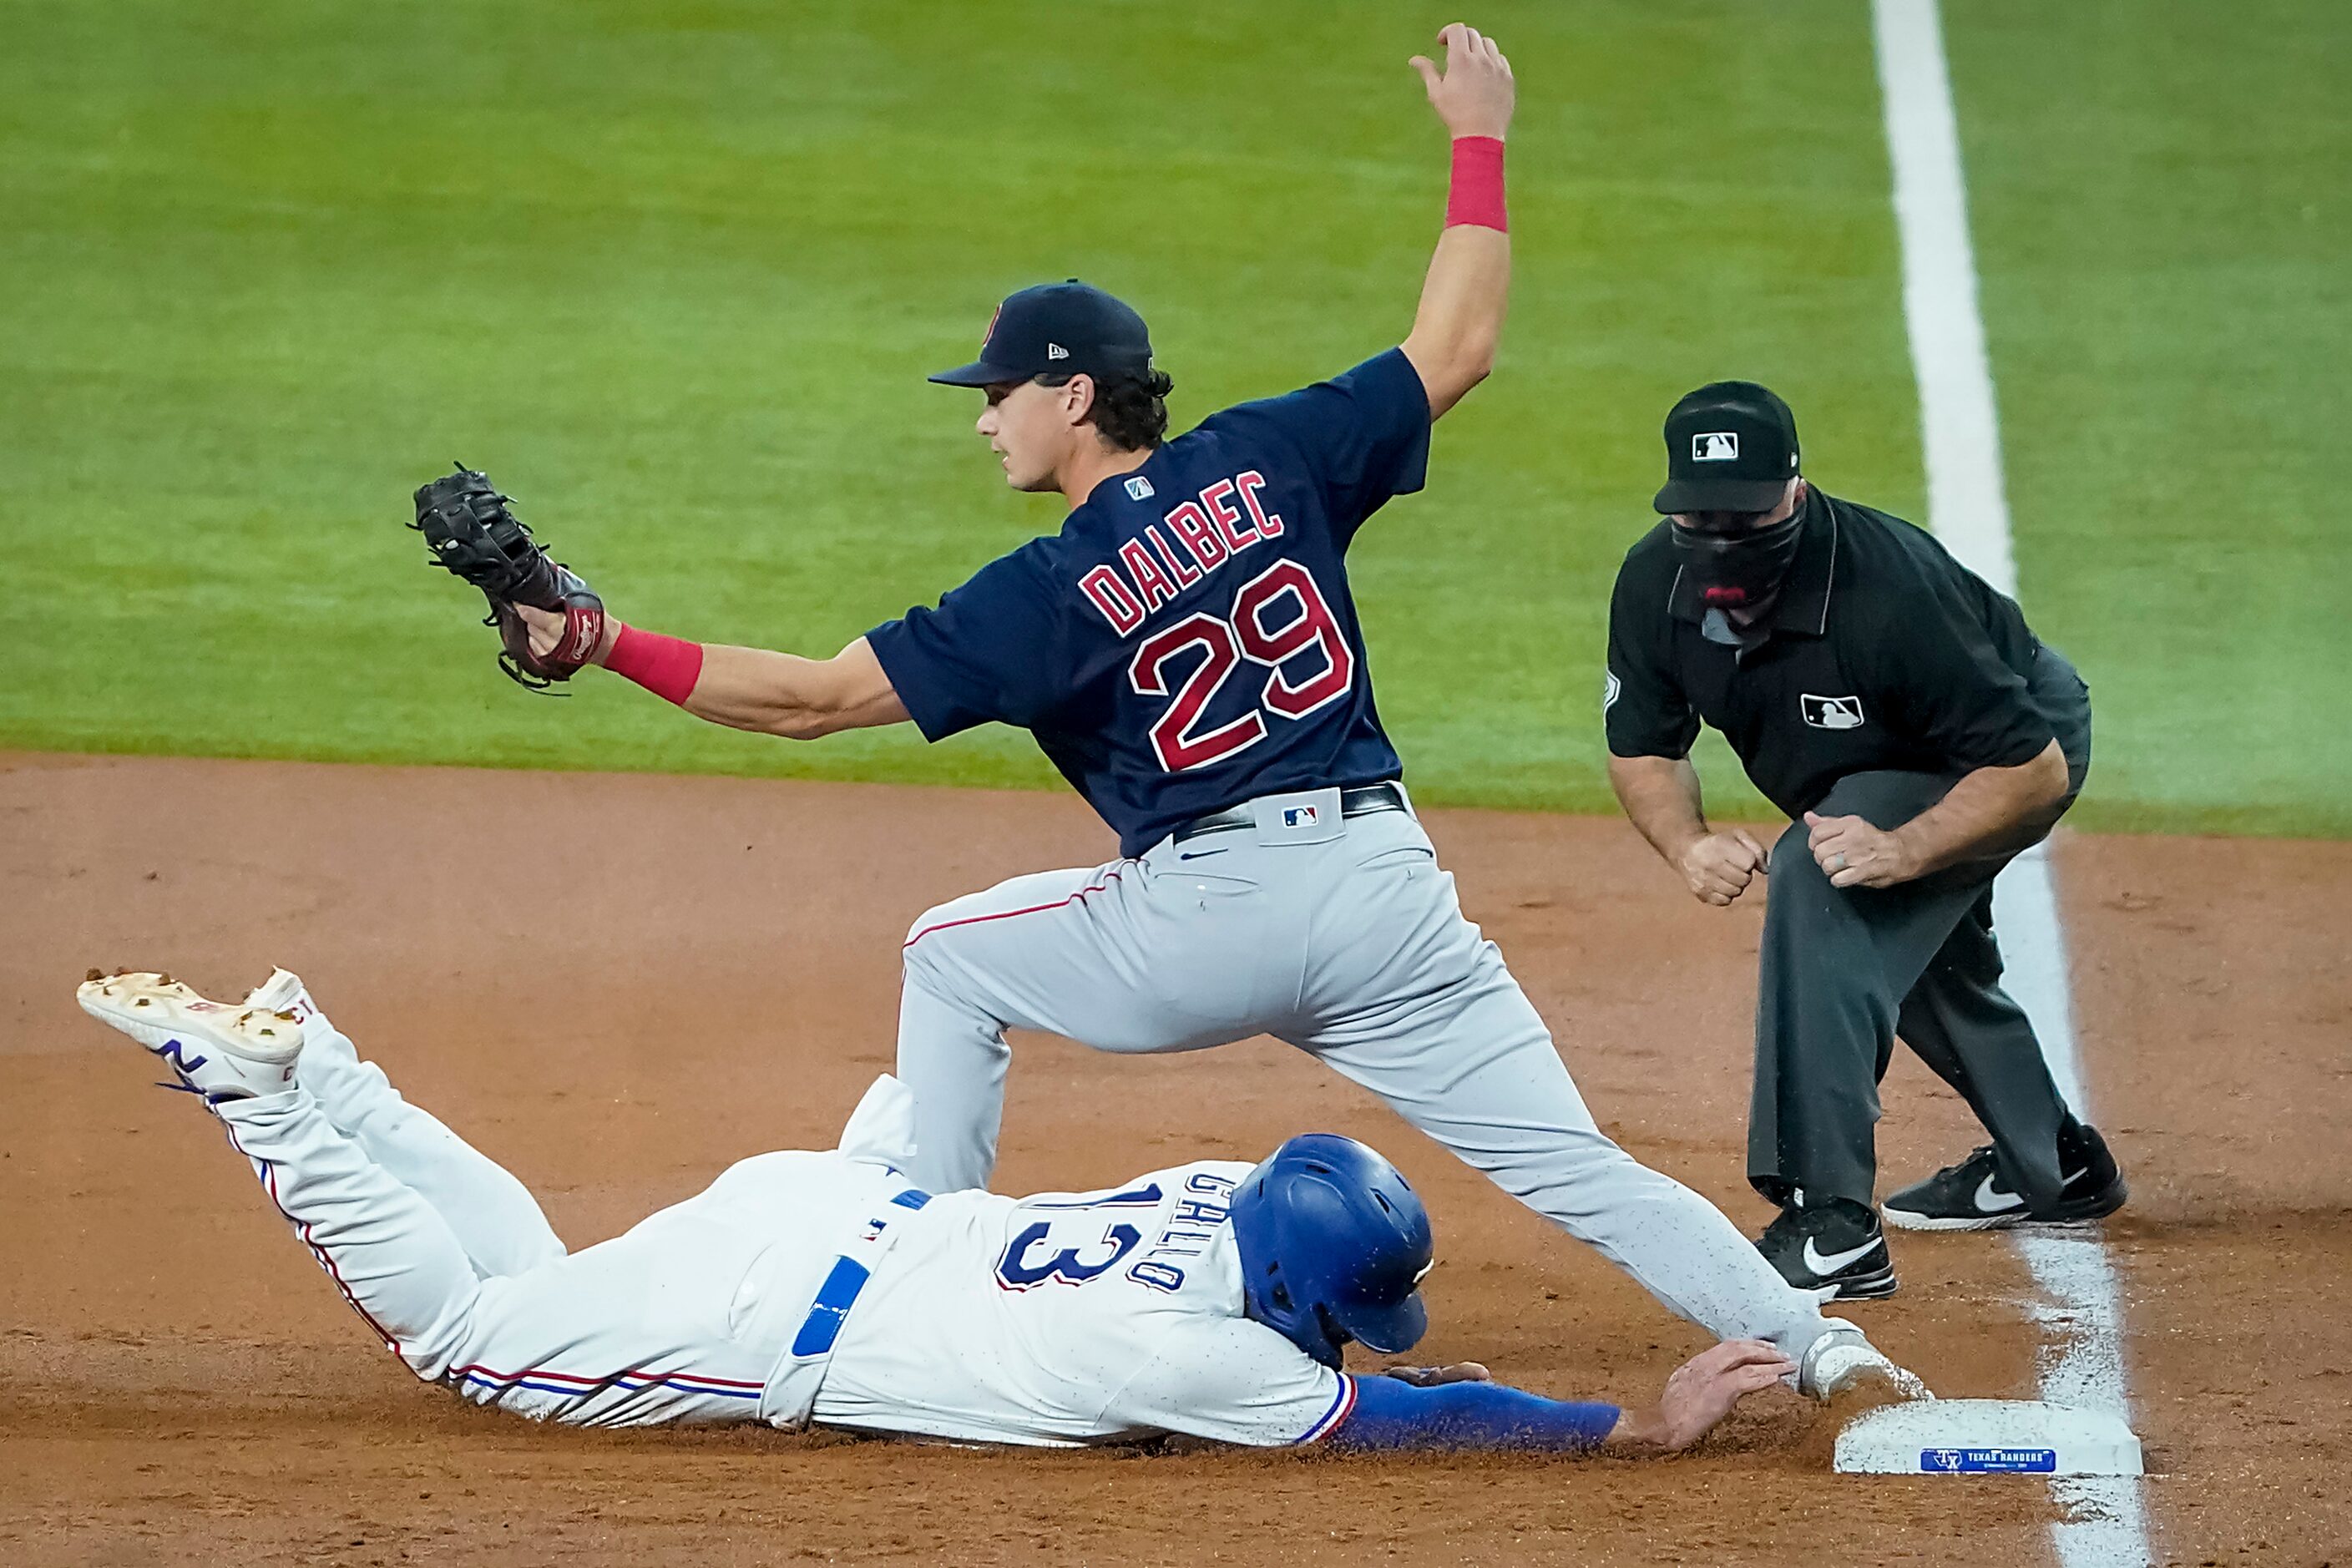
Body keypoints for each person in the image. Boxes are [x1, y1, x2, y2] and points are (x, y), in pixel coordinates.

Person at [502, 24, 1894, 1383]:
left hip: (1205, 922)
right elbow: (1457, 343)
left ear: (1075, 393)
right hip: (1380, 896)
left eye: (1000, 392)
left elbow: (808, 700)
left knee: (949, 954)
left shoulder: (1038, 593)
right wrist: (1478, 138)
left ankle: (901, 1274)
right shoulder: (1274, 454)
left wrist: (605, 636)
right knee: (1578, 1166)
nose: (985, 417)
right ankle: (1829, 1349)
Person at [77, 967, 1834, 1454]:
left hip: (814, 1200)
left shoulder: (1227, 1185)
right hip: (758, 1328)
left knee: (541, 1268)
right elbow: (1410, 1417)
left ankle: (335, 1063)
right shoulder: (1180, 1353)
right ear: (1302, 1289)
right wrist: (1630, 1431)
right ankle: (269, 1098)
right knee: (469, 1338)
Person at [1603, 380, 2128, 1301]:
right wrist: (1686, 844)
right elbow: (1644, 746)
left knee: (1827, 881)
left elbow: (2031, 769)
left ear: (1796, 492)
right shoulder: (1655, 582)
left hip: (1996, 750)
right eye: (1703, 516)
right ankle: (2055, 1160)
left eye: (1750, 512)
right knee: (1910, 949)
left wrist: (1913, 848)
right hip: (1866, 774)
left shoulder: (1887, 590)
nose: (1725, 536)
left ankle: (1832, 1221)